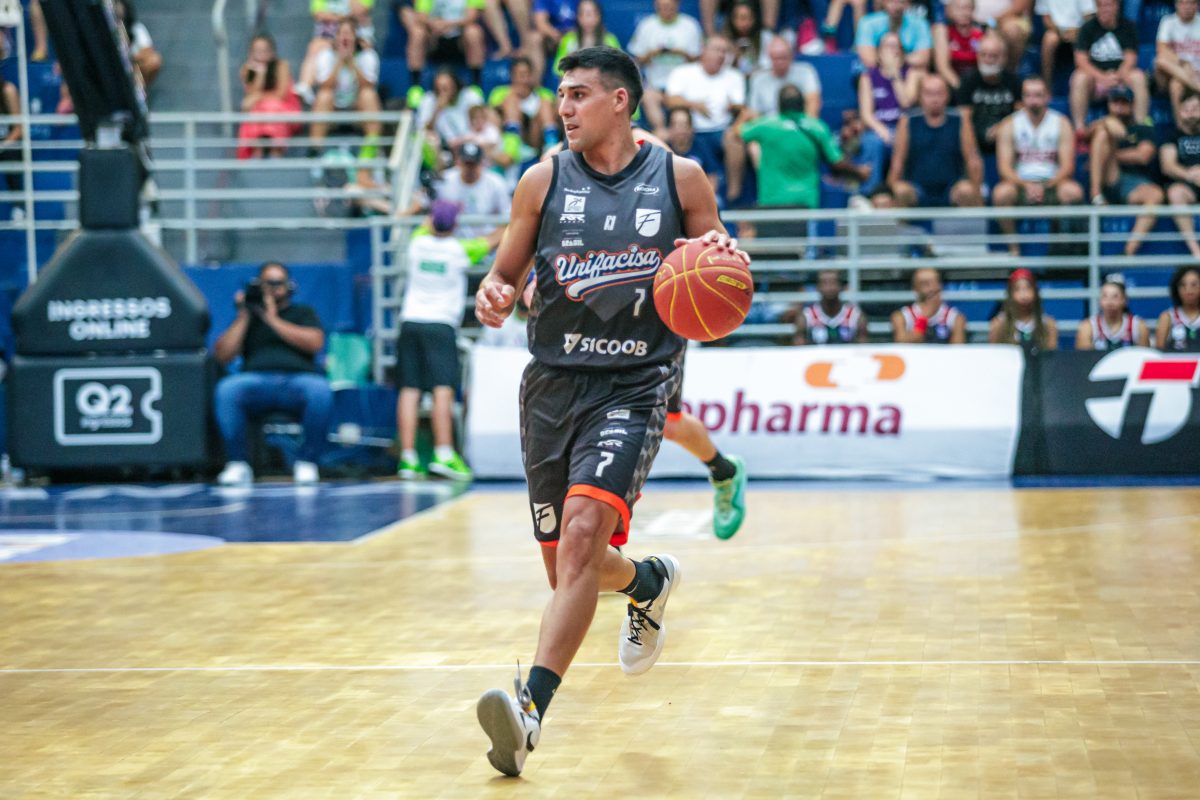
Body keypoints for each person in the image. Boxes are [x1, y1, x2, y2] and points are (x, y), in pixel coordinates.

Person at [472, 46, 750, 777]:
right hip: (552, 386)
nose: (563, 107)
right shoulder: (541, 181)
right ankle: (647, 583)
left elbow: (716, 260)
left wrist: (723, 257)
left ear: (620, 101)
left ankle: (529, 711)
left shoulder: (680, 178)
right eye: (561, 95)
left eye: (578, 94)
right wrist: (493, 294)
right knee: (569, 568)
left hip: (635, 382)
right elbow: (502, 276)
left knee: (581, 538)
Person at [397, 201, 498, 479]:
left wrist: (424, 209)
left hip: (410, 321)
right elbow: (495, 239)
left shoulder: (417, 243)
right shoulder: (460, 250)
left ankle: (407, 459)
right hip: (441, 325)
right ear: (454, 225)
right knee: (442, 389)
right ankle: (443, 453)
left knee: (409, 390)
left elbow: (422, 225)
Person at [213, 263, 332, 486]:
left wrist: (271, 318)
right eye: (268, 283)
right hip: (256, 383)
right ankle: (238, 463)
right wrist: (244, 315)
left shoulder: (302, 312)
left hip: (297, 382)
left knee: (320, 390)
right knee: (228, 389)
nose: (273, 289)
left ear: (289, 287)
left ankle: (307, 462)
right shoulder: (248, 318)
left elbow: (315, 343)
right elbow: (222, 355)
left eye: (278, 283)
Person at [739, 84, 870, 217]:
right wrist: (859, 171)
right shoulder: (817, 127)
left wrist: (743, 115)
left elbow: (737, 133)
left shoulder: (766, 125)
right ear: (803, 104)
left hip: (772, 200)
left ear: (779, 105)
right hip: (806, 201)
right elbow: (837, 161)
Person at [992, 76, 1085, 256]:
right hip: (1020, 183)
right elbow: (1004, 168)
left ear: (1047, 97)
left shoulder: (1061, 123)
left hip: (1052, 182)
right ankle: (1014, 248)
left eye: (1038, 95)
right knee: (1001, 193)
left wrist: (1045, 185)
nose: (1033, 100)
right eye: (1028, 95)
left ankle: (1062, 248)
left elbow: (1067, 167)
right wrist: (1026, 185)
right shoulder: (1009, 125)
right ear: (1022, 98)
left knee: (1073, 192)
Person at [727, 34, 823, 201]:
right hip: (769, 132)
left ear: (791, 56)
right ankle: (753, 191)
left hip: (799, 129)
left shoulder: (806, 71)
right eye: (775, 58)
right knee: (752, 145)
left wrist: (790, 131)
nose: (779, 62)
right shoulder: (759, 79)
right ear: (769, 58)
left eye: (783, 57)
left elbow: (812, 109)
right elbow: (754, 114)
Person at [888, 73, 984, 208]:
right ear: (920, 96)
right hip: (916, 188)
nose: (934, 99)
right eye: (929, 93)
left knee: (966, 190)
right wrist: (890, 189)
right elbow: (898, 161)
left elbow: (972, 160)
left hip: (952, 188)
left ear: (947, 95)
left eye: (939, 93)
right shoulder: (907, 121)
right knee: (900, 191)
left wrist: (977, 195)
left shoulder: (960, 120)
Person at [1087, 85, 1162, 257]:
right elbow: (1084, 135)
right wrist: (1106, 123)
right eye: (1115, 102)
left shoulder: (1143, 128)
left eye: (1124, 103)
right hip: (1109, 177)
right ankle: (1096, 195)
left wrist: (1109, 155)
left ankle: (1128, 251)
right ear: (1109, 104)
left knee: (1155, 195)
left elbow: (1143, 156)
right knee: (1101, 135)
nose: (1119, 107)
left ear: (1132, 105)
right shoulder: (1100, 126)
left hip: (1135, 184)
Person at [665, 35, 746, 176]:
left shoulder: (735, 76)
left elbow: (740, 106)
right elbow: (670, 100)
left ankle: (734, 190)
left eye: (725, 51)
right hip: (689, 129)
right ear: (703, 50)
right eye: (717, 50)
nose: (721, 55)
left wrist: (733, 108)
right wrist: (694, 105)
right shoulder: (683, 72)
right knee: (662, 133)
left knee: (735, 139)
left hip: (721, 130)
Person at [627, 0, 706, 135]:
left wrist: (682, 53)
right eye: (662, 7)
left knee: (680, 117)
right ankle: (661, 130)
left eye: (669, 7)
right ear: (656, 6)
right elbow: (637, 60)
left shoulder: (690, 25)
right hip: (655, 85)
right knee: (648, 97)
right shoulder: (646, 25)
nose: (666, 10)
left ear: (677, 5)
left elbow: (699, 61)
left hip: (683, 88)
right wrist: (651, 54)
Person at [1070, 0, 1147, 137]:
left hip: (1121, 77)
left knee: (1138, 77)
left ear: (1116, 6)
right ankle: (1080, 130)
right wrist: (1102, 77)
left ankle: (1140, 127)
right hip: (1096, 80)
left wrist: (1117, 76)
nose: (1104, 9)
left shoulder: (1127, 26)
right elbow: (1080, 60)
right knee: (1079, 77)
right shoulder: (1087, 28)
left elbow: (1131, 57)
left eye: (1108, 5)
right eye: (1100, 5)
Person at [858, 32, 921, 196]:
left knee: (905, 142)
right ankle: (869, 194)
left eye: (896, 46)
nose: (892, 51)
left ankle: (902, 194)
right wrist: (882, 130)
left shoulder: (912, 73)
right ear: (879, 52)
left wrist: (895, 76)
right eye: (887, 46)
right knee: (873, 142)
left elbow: (907, 103)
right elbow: (866, 114)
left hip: (905, 128)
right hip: (879, 129)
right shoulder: (868, 77)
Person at [311, 18, 384, 156]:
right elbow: (325, 85)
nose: (344, 38)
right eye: (341, 33)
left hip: (357, 106)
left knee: (368, 95)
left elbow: (368, 85)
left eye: (348, 34)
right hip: (333, 107)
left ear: (356, 36)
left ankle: (373, 147)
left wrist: (351, 62)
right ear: (335, 37)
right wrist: (339, 61)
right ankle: (315, 149)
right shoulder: (326, 55)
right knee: (324, 96)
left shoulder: (368, 55)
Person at [954, 32, 1023, 158]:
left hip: (1008, 143)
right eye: (983, 55)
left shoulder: (1013, 81)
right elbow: (964, 121)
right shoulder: (968, 81)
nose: (988, 60)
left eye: (993, 56)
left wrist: (1003, 127)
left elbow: (1022, 115)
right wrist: (972, 155)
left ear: (1004, 58)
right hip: (975, 142)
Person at [237, 34, 303, 159]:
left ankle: (275, 152)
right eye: (257, 50)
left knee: (271, 107)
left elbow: (281, 94)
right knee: (257, 111)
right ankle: (257, 152)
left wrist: (258, 97)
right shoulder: (247, 69)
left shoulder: (282, 65)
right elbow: (250, 95)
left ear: (272, 51)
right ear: (251, 53)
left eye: (265, 50)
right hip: (261, 111)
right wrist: (260, 73)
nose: (261, 53)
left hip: (284, 108)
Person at [298, 0, 376, 103]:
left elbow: (360, 9)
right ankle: (305, 86)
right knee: (315, 46)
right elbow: (318, 14)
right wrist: (345, 17)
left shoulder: (363, 49)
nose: (346, 38)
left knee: (368, 94)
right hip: (329, 38)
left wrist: (336, 17)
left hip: (361, 38)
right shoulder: (332, 45)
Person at [434, 142, 512, 238]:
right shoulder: (444, 180)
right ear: (458, 162)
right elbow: (424, 204)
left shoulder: (496, 183)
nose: (470, 168)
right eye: (466, 163)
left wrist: (485, 243)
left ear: (482, 163)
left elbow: (507, 220)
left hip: (486, 241)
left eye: (473, 164)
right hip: (450, 241)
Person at [488, 56, 558, 155]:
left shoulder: (544, 93)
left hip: (536, 138)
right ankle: (512, 146)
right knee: (511, 100)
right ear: (512, 76)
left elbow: (556, 114)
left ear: (531, 75)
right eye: (519, 74)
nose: (523, 79)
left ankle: (551, 145)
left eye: (526, 74)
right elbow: (492, 116)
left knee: (545, 103)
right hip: (509, 136)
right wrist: (513, 93)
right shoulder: (500, 92)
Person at [410, 0, 487, 88]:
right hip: (434, 38)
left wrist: (448, 24)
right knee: (417, 32)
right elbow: (421, 16)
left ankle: (476, 83)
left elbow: (472, 17)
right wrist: (434, 24)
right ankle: (415, 85)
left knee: (474, 32)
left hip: (460, 38)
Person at [1160, 90, 1200, 258]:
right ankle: (1195, 249)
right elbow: (1167, 166)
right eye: (1186, 109)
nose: (1190, 114)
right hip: (1186, 186)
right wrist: (1190, 175)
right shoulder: (1171, 136)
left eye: (1195, 109)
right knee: (1175, 193)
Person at [987, 268, 1059, 353]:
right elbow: (994, 355)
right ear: (1010, 294)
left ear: (1036, 292)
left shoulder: (1049, 325)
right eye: (1017, 289)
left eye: (1028, 288)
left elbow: (1051, 357)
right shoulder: (998, 325)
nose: (1024, 295)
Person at [891, 267, 968, 343]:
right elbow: (902, 345)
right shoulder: (901, 317)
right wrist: (923, 319)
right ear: (915, 288)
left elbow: (957, 349)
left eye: (936, 282)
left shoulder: (956, 318)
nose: (932, 288)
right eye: (925, 284)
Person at [793, 269, 869, 344]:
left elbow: (863, 348)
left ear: (841, 287)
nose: (829, 287)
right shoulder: (807, 316)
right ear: (818, 287)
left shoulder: (855, 316)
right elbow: (799, 348)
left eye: (833, 283)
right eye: (824, 283)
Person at [1075, 275, 1150, 349]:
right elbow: (1083, 356)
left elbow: (1145, 355)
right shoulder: (1088, 327)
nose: (1109, 302)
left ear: (1125, 300)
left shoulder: (1138, 326)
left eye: (1115, 296)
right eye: (1105, 296)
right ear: (1099, 301)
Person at [855, 0, 934, 70]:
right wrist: (891, 62)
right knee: (865, 76)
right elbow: (869, 59)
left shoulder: (920, 24)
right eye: (892, 1)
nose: (896, 6)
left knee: (923, 75)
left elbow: (923, 58)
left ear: (908, 4)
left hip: (908, 73)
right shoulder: (867, 22)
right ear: (884, 2)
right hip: (876, 71)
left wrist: (897, 59)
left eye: (901, 2)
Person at [1155, 0, 1200, 119]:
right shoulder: (1168, 21)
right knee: (1160, 59)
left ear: (1197, 5)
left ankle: (1180, 126)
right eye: (1183, 3)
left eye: (1191, 3)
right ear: (1176, 4)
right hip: (1176, 71)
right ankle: (1197, 86)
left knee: (1176, 85)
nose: (1187, 7)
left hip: (1197, 72)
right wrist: (1183, 63)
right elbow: (1161, 50)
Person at [553, 0, 620, 74]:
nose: (586, 19)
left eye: (590, 14)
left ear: (599, 16)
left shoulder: (610, 40)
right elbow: (559, 69)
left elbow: (618, 69)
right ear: (577, 17)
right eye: (582, 14)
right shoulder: (568, 39)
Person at [934, 0, 986, 90]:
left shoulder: (982, 31)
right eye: (959, 8)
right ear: (949, 11)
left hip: (978, 81)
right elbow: (943, 67)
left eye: (967, 8)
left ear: (973, 10)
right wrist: (962, 89)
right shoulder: (943, 31)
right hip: (952, 82)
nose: (964, 12)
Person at [114, 0, 162, 90]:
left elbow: (148, 54)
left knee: (153, 60)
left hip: (134, 68)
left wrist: (134, 60)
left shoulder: (136, 29)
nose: (118, 10)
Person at [973, 0, 1032, 70]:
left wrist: (991, 21)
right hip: (973, 19)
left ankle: (1010, 71)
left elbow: (1018, 7)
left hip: (1006, 19)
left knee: (1012, 31)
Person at [1156, 266, 1200, 350]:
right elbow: (1159, 353)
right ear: (1176, 288)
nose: (1188, 290)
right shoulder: (1167, 317)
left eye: (1194, 285)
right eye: (1183, 285)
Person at [724, 0, 772, 76]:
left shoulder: (766, 37)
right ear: (732, 19)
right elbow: (722, 71)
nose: (744, 23)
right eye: (740, 18)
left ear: (754, 19)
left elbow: (768, 66)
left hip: (759, 77)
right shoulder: (725, 39)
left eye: (748, 18)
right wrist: (734, 59)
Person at [0, 76, 23, 218]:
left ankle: (18, 208)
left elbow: (19, 129)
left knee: (11, 154)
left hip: (9, 143)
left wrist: (3, 145)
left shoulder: (8, 90)